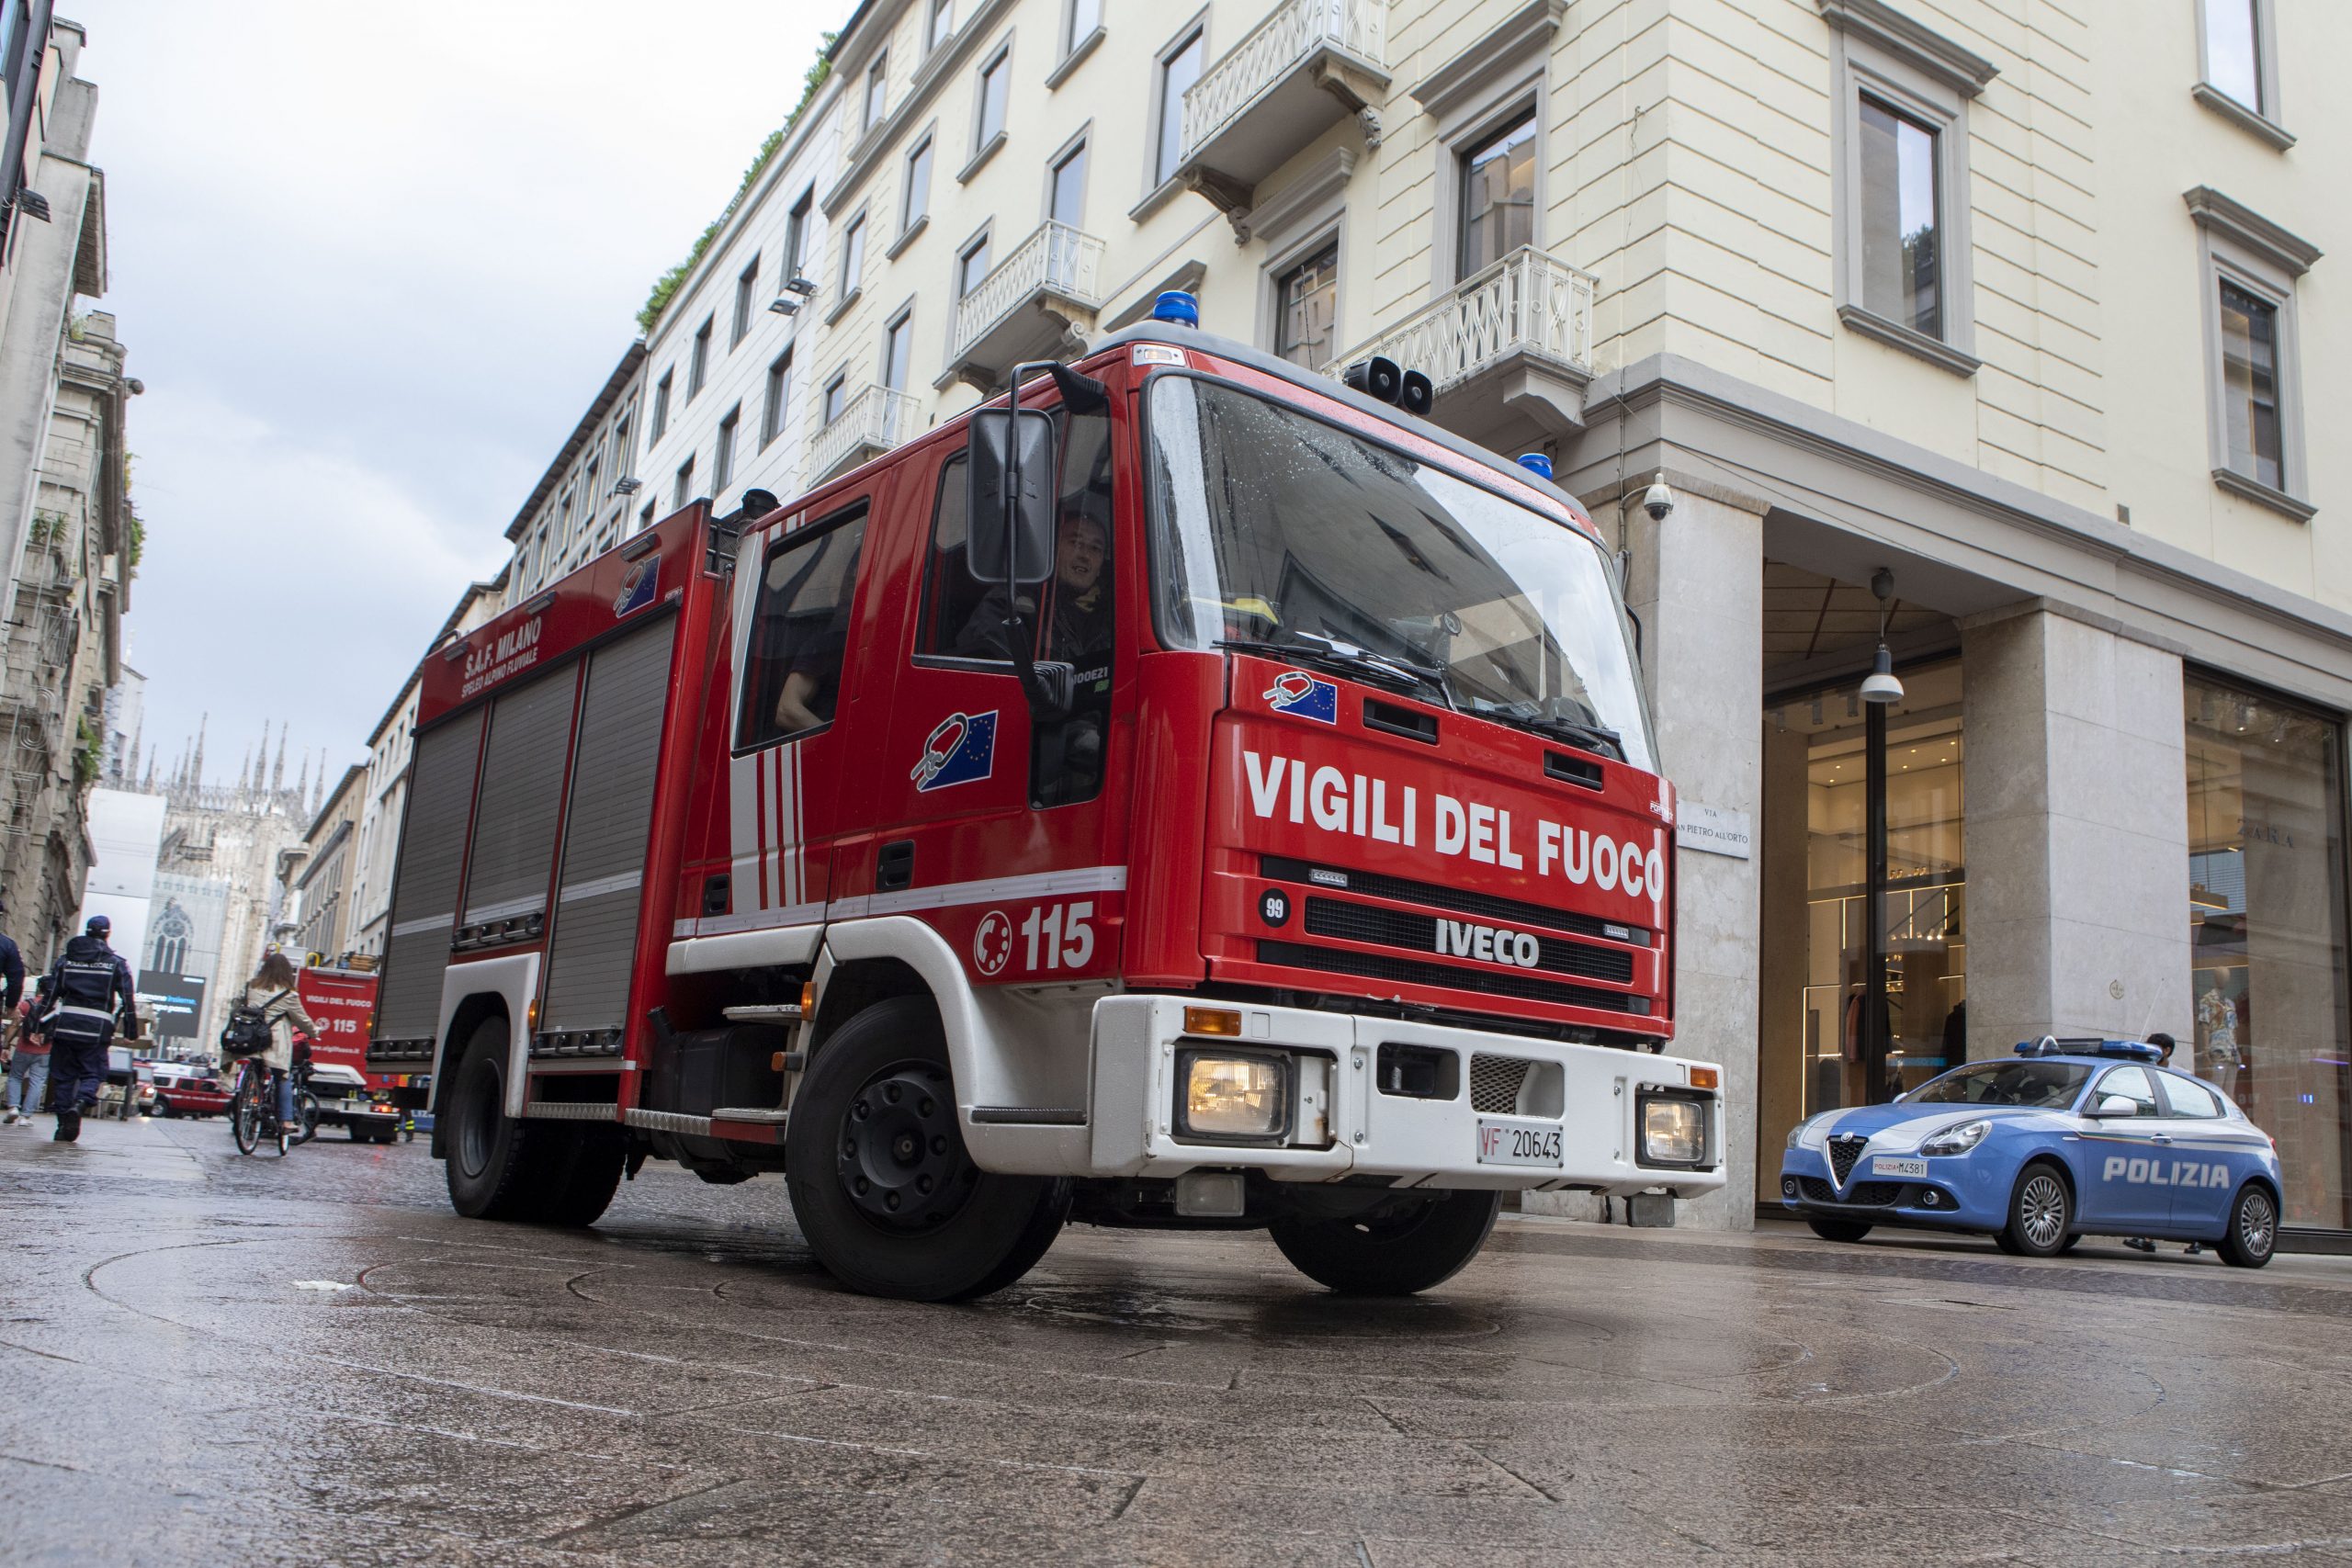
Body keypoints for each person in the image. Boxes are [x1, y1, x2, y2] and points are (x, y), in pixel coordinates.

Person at [38, 915, 136, 1142]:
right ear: (107, 934)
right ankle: (81, 1104)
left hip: (66, 1025)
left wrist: (37, 1024)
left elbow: (50, 995)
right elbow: (127, 1000)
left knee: (63, 1076)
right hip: (96, 1029)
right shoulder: (116, 963)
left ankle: (63, 1125)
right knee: (93, 1072)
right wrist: (131, 1031)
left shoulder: (66, 961)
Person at [238, 949, 324, 1154]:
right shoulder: (288, 994)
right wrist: (315, 1031)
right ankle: (285, 1121)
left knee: (253, 1067)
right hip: (272, 1043)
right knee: (283, 1077)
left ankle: (244, 1099)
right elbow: (301, 1019)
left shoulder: (252, 986)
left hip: (249, 1040)